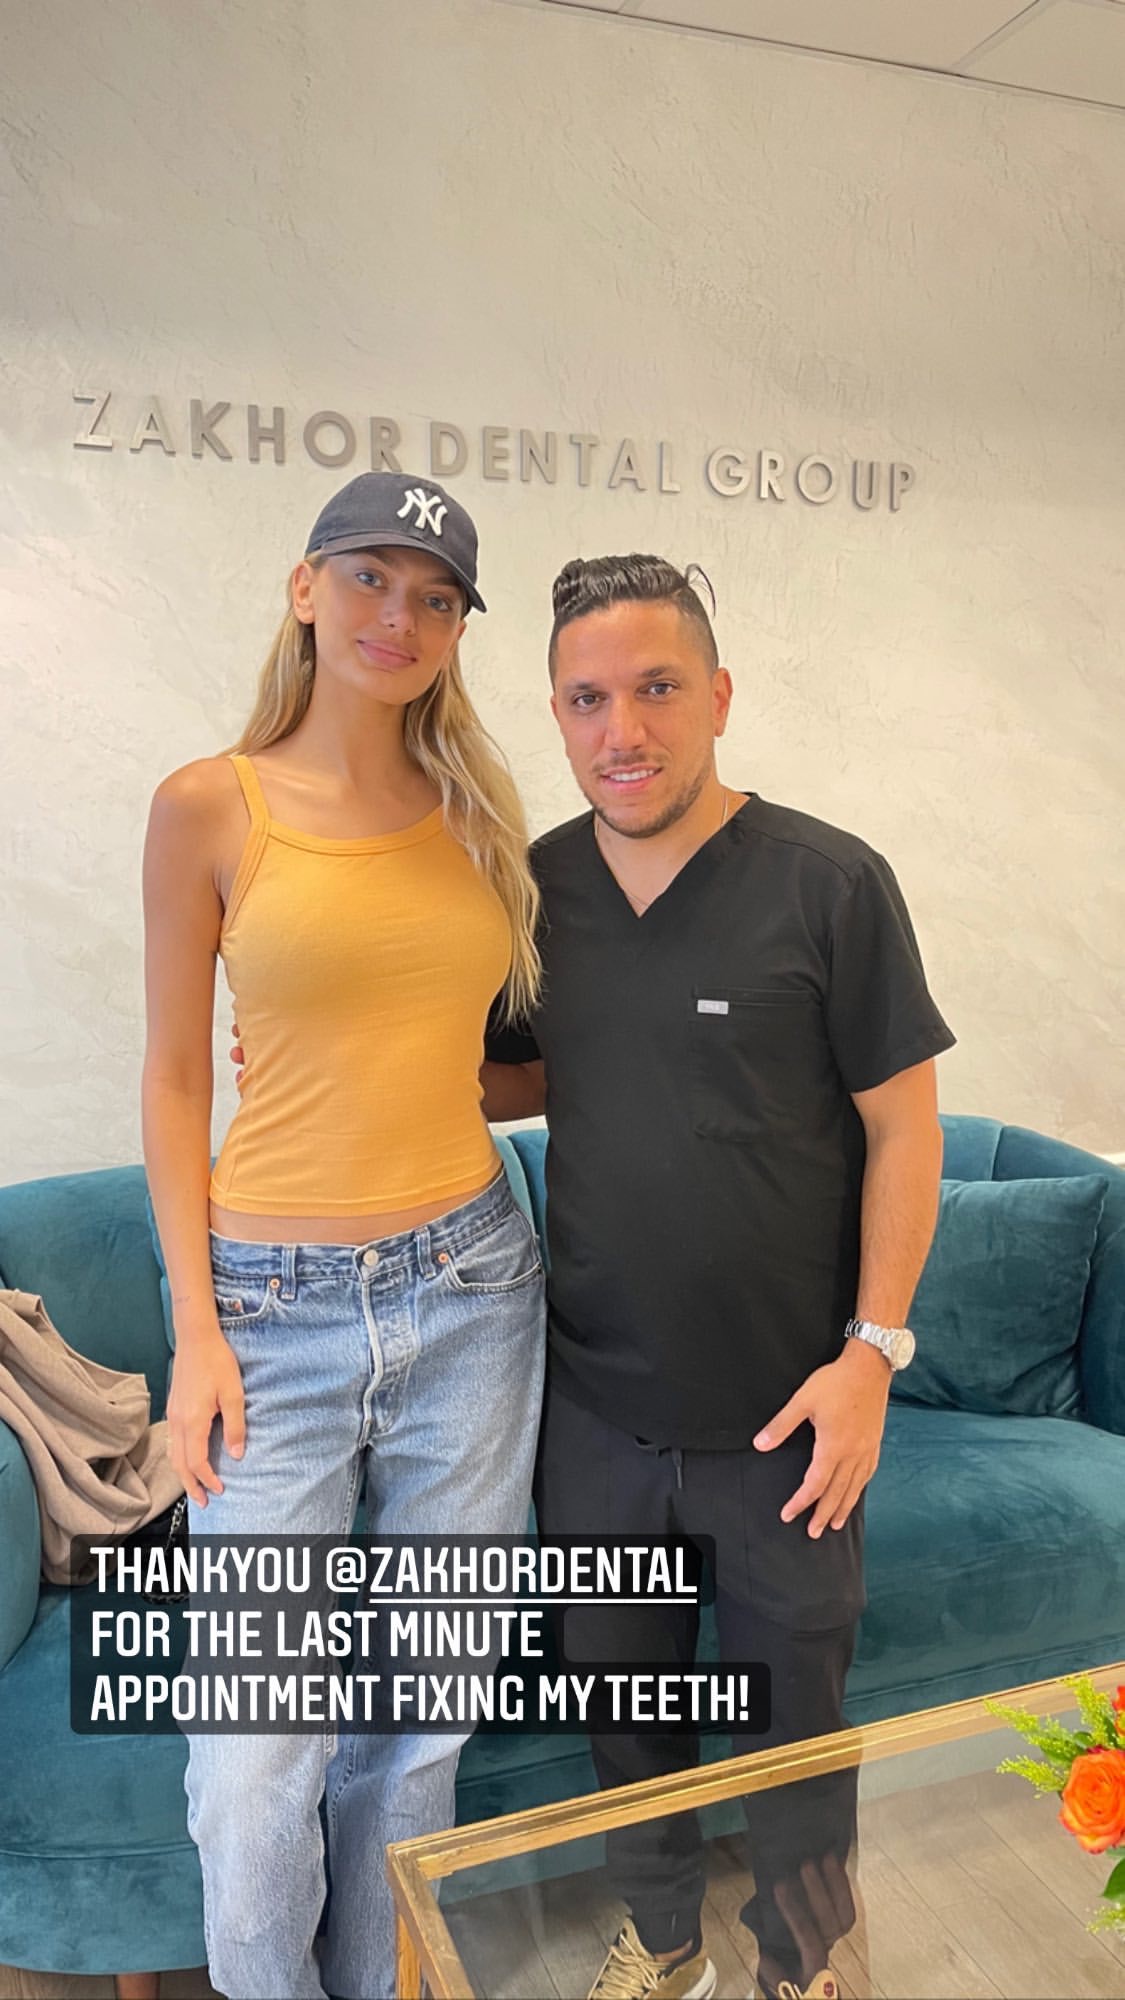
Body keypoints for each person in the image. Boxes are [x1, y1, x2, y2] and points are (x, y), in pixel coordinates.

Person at [481, 554, 954, 2000]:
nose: (622, 729)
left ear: (721, 695)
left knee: (796, 1727)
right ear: (556, 716)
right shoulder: (533, 892)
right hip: (596, 1412)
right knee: (625, 1711)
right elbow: (509, 1078)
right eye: (587, 699)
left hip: (787, 1417)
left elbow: (905, 1128)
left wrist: (872, 1354)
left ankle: (801, 1964)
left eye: (657, 688)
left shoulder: (829, 883)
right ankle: (665, 1935)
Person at [141, 471, 546, 2000]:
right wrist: (195, 1333)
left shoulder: (478, 819)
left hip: (474, 1285)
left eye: (435, 596)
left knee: (421, 1719)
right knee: (253, 1755)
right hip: (268, 1310)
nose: (401, 615)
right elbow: (176, 1078)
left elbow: (484, 1061)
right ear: (304, 589)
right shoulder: (210, 805)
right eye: (370, 577)